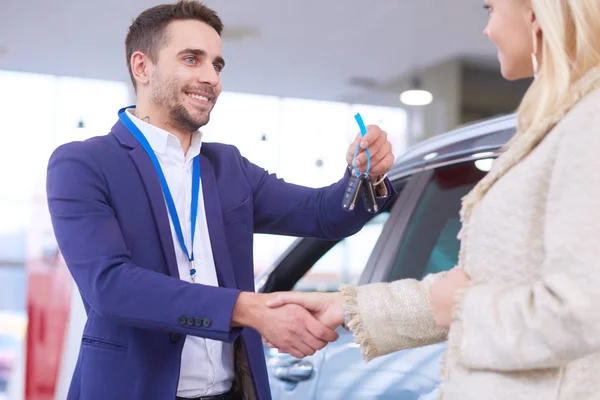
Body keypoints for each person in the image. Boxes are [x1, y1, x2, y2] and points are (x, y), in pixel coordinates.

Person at [45, 1, 395, 400]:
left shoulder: (227, 166)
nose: (211, 77)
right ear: (141, 67)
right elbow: (110, 285)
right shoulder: (84, 163)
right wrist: (247, 309)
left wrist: (365, 175)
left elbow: (324, 215)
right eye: (192, 59)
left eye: (217, 65)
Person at [267, 0, 600, 398]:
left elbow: (583, 311)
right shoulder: (558, 123)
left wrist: (459, 307)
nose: (486, 29)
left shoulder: (588, 125)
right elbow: (482, 284)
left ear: (535, 13)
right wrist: (352, 308)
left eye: (490, 9)